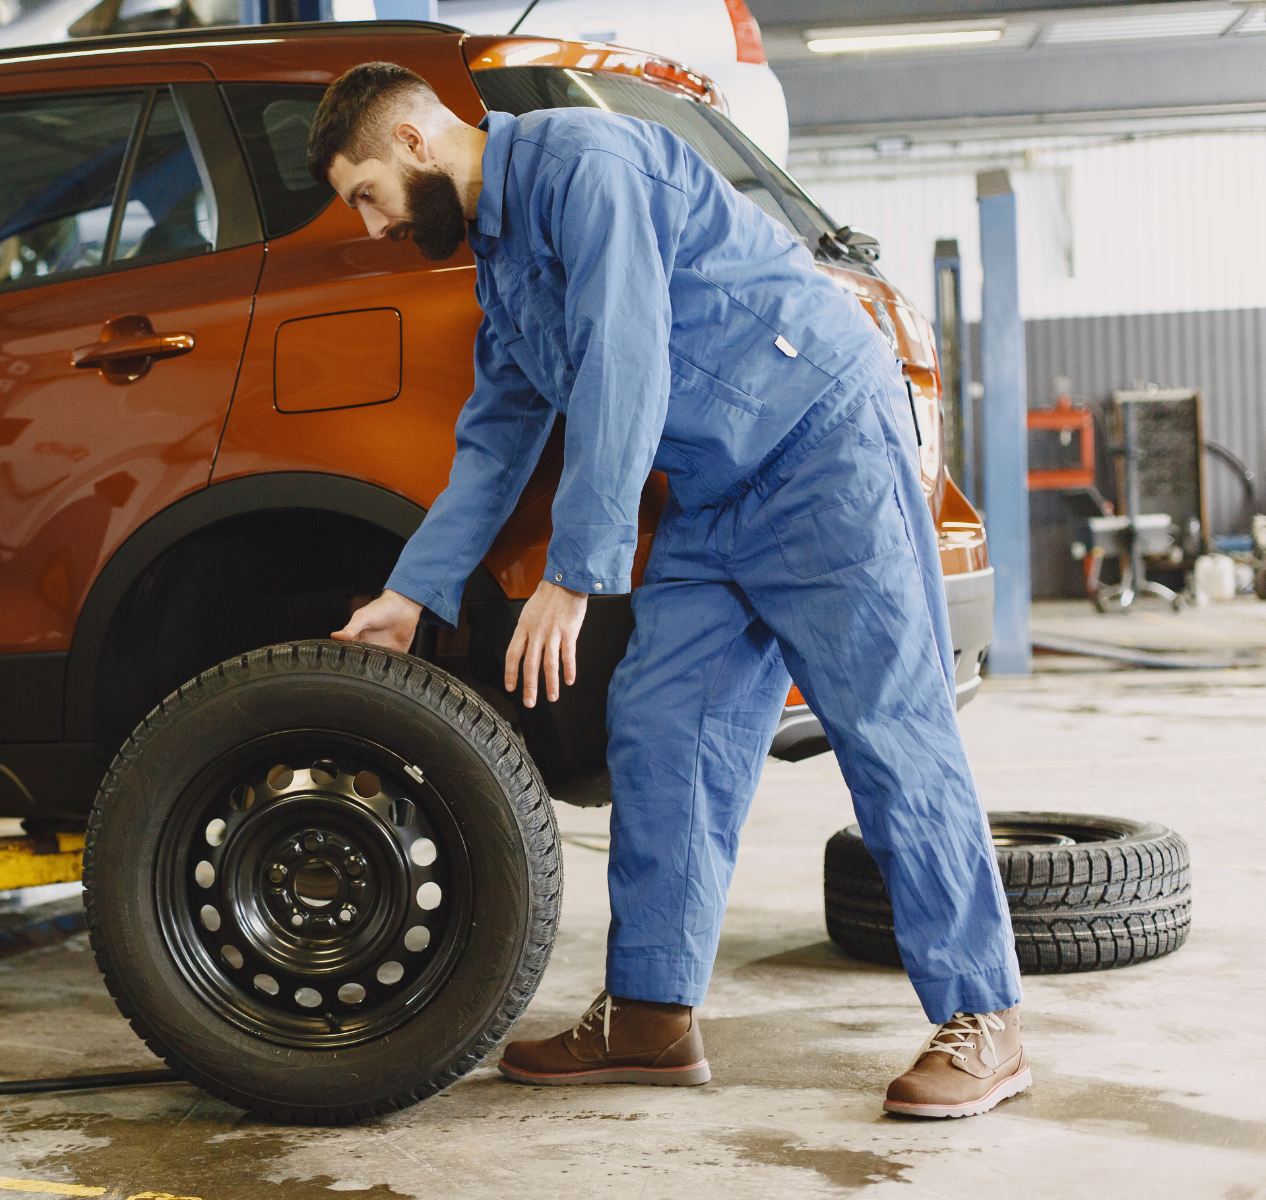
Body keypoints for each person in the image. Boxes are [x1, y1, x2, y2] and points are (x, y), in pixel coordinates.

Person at [314, 62, 1028, 1119]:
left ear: (416, 141)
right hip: (713, 492)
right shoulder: (502, 262)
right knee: (661, 725)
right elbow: (499, 435)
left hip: (819, 448)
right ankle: (650, 1017)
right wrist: (412, 592)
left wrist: (575, 574)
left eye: (364, 192)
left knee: (888, 729)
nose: (369, 224)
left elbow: (625, 358)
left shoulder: (585, 166)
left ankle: (985, 1021)